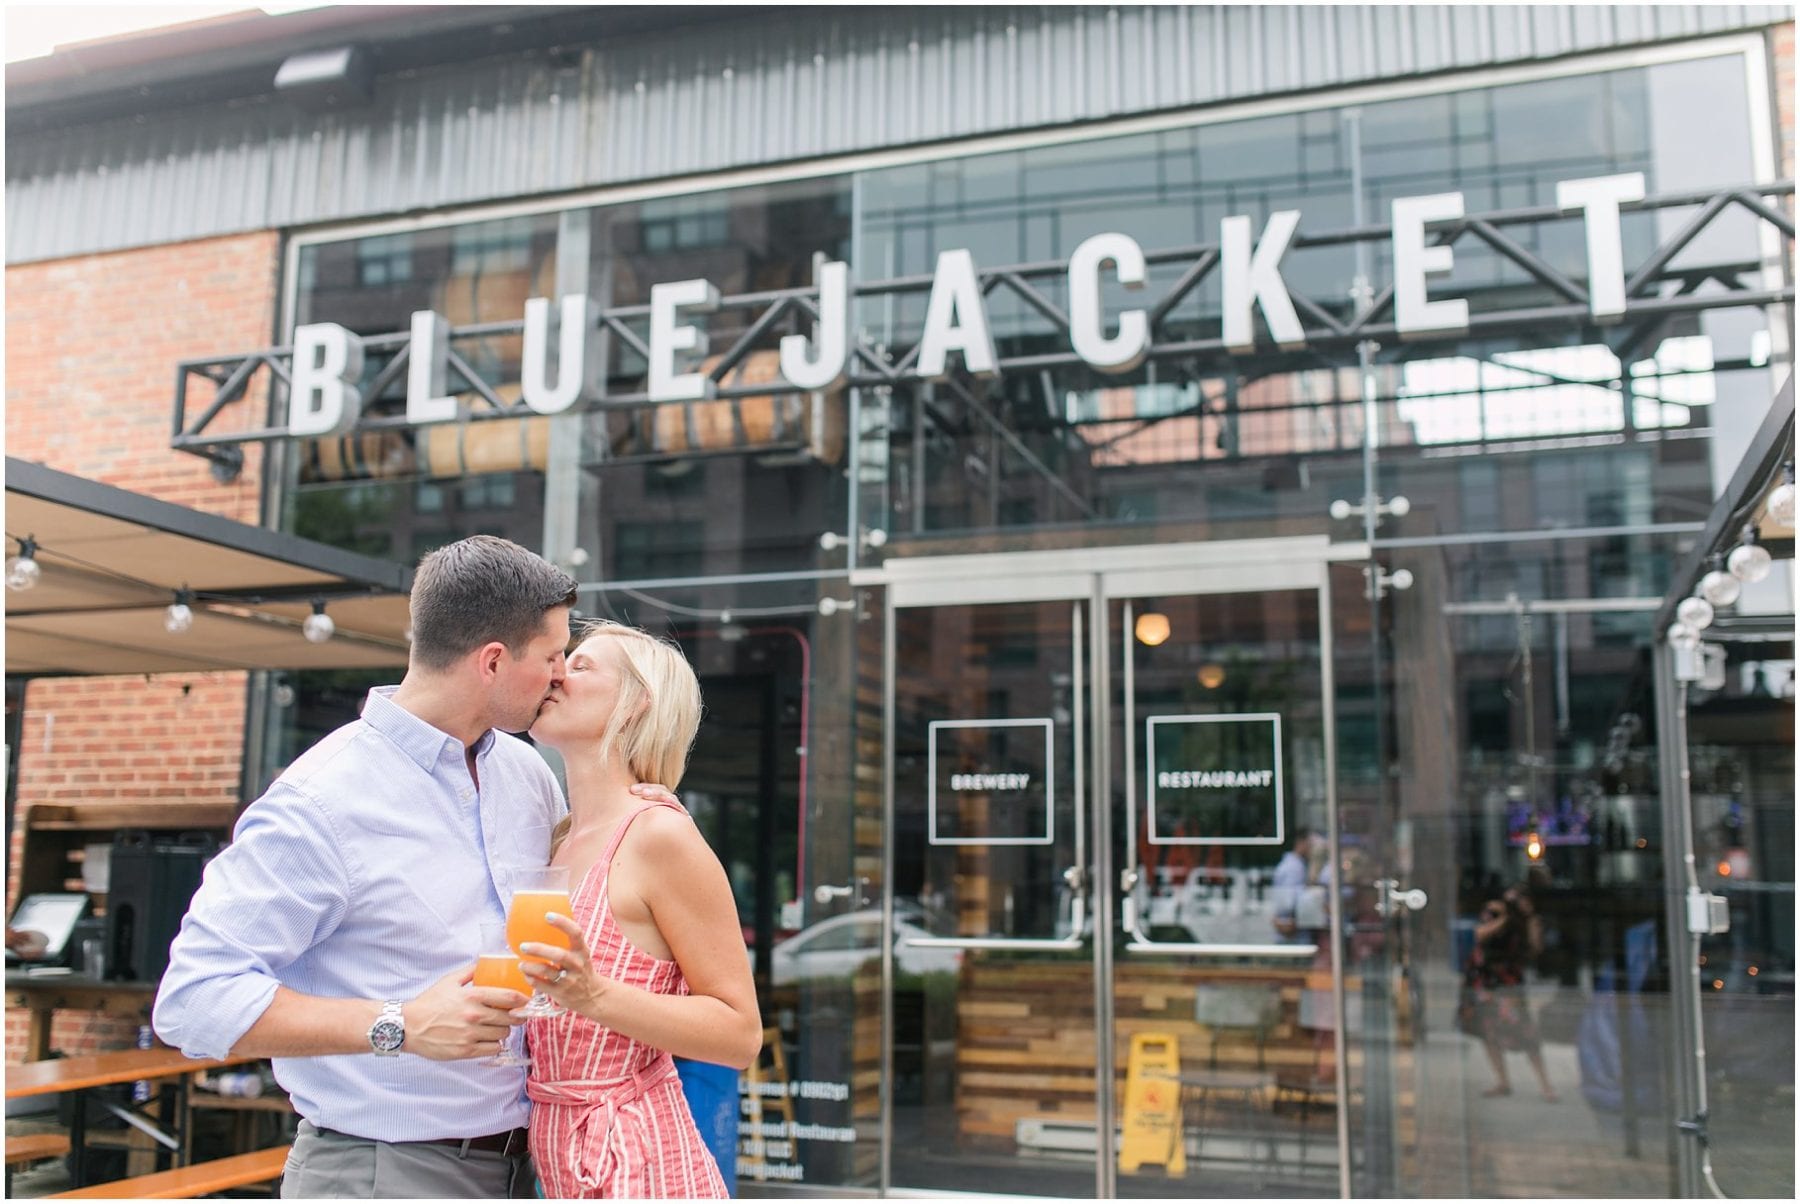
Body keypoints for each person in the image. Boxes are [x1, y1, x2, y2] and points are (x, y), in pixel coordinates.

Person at [153, 535, 677, 1198]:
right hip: (382, 1173)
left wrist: (635, 804)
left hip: (527, 1167)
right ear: (492, 662)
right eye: (550, 657)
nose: (558, 676)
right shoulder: (320, 801)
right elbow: (191, 1002)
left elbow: (588, 867)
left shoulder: (525, 776)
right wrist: (397, 1025)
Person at [514, 620, 761, 1198]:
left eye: (582, 666)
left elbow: (740, 1033)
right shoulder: (558, 838)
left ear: (635, 704)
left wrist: (594, 994)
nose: (557, 673)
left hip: (640, 1166)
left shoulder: (658, 836)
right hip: (558, 1163)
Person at [1461, 886, 1558, 1102]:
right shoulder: (1496, 913)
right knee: (1488, 1032)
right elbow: (1480, 934)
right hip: (1486, 980)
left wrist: (1530, 921)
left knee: (1526, 1033)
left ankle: (1546, 1085)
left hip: (1510, 982)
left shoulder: (1529, 921)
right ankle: (1503, 1081)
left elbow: (1535, 950)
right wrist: (1505, 917)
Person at [1270, 826, 1320, 940]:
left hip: (1293, 934)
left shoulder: (1295, 865)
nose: (1313, 848)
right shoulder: (1294, 868)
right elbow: (1289, 905)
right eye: (1311, 844)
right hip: (1293, 937)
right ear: (1301, 842)